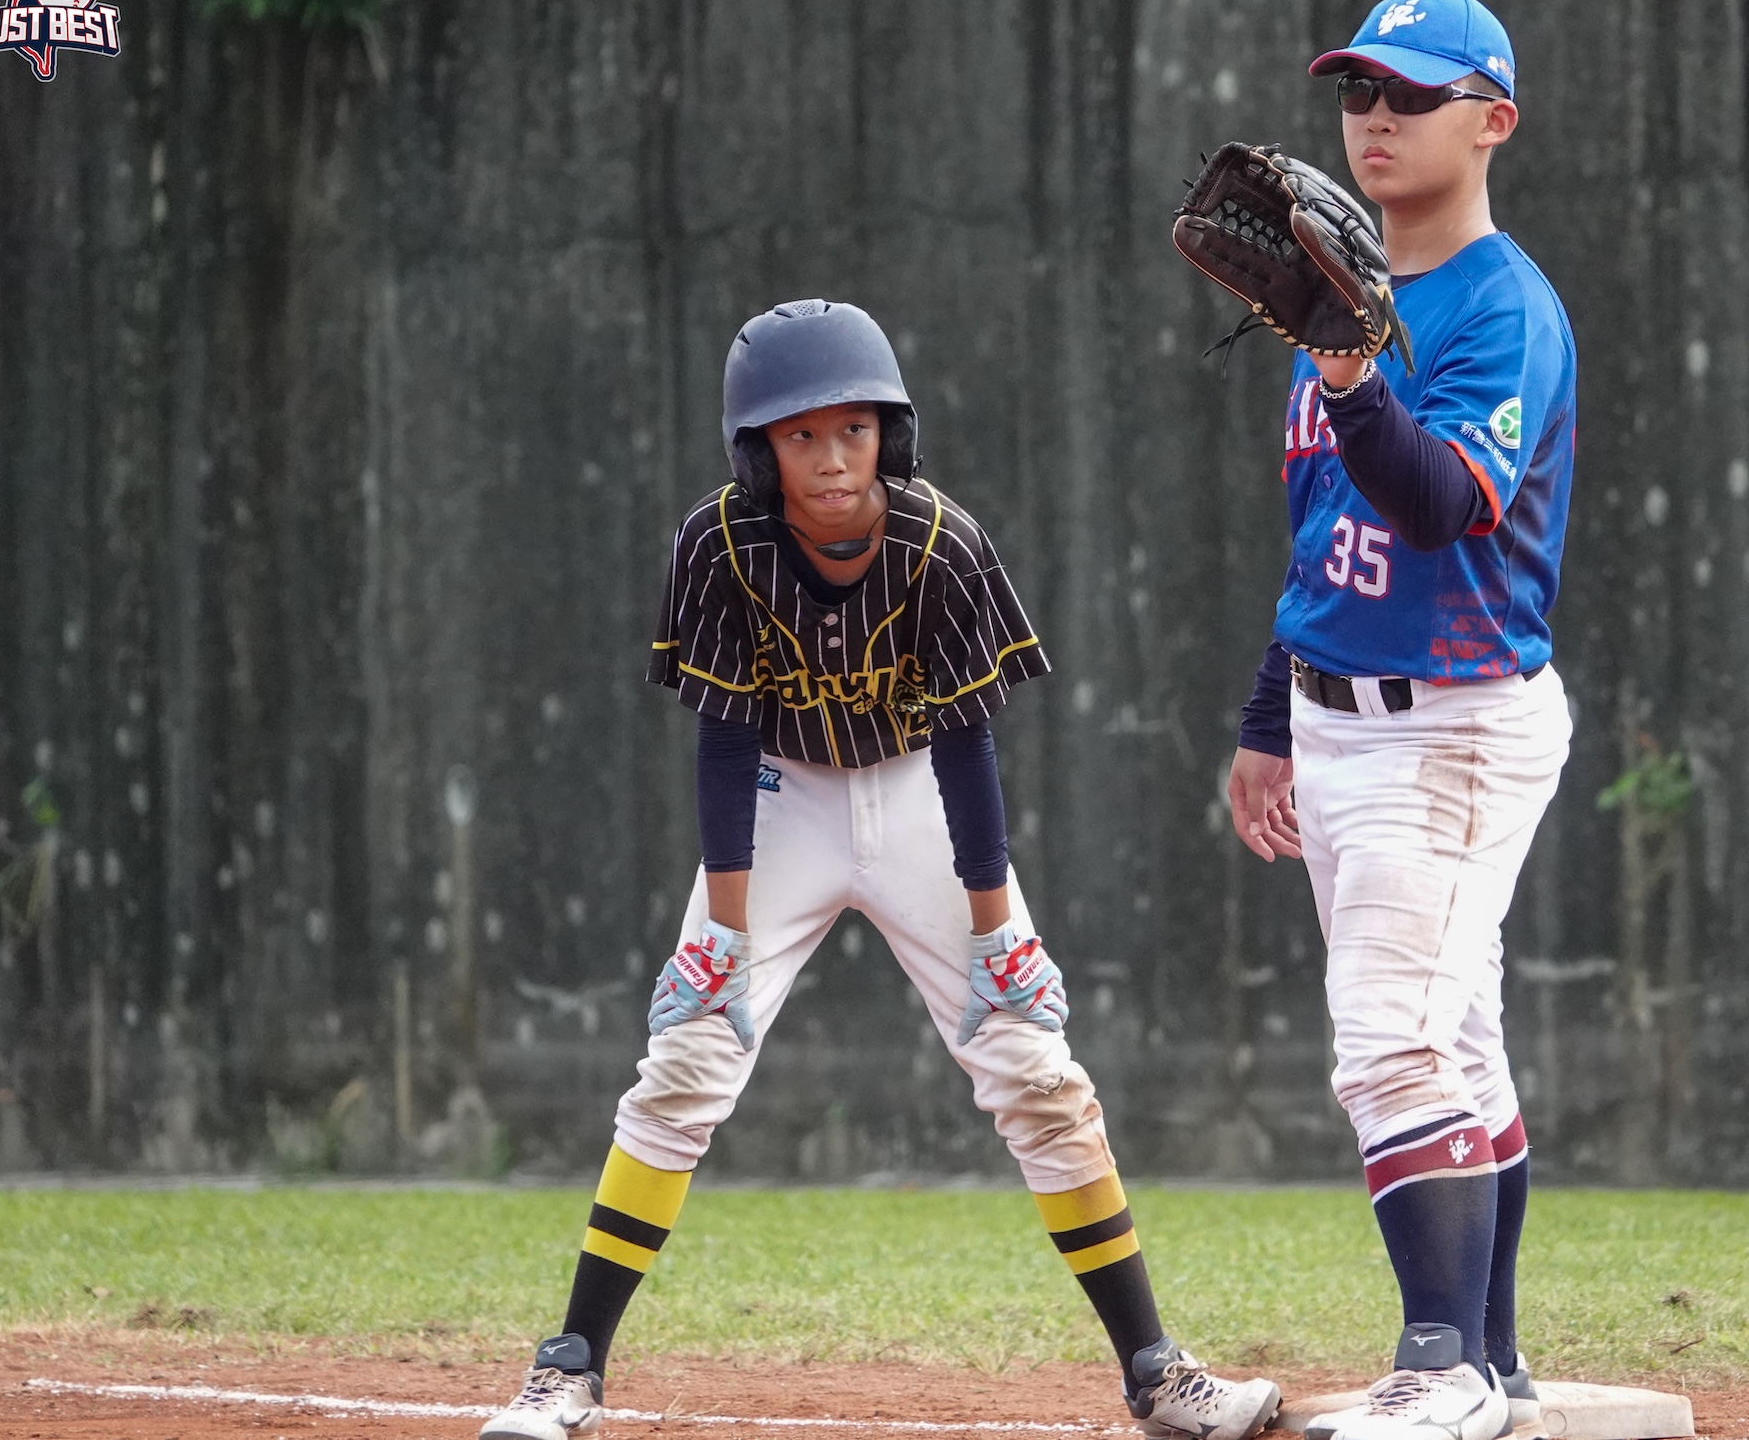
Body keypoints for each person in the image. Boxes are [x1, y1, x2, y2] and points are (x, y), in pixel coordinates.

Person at [482, 300, 1280, 1440]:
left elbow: (965, 747)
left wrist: (997, 928)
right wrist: (720, 928)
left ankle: (1156, 1371)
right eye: (799, 435)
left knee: (1032, 1064)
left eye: (852, 427)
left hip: (914, 794)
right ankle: (567, 1368)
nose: (831, 455)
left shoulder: (943, 542)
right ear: (761, 452)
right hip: (779, 796)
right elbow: (720, 738)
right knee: (688, 1058)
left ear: (888, 435)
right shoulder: (719, 543)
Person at [1222, 0, 1578, 1440]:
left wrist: (1356, 366)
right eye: (1360, 89)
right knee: (1455, 1031)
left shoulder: (1504, 307)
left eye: (1412, 93)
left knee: (1386, 1038)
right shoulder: (1341, 308)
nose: (1375, 114)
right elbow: (1322, 532)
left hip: (1457, 720)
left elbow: (1437, 508)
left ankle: (1438, 1365)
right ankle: (1490, 1358)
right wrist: (1265, 716)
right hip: (1344, 713)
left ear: (1491, 121)